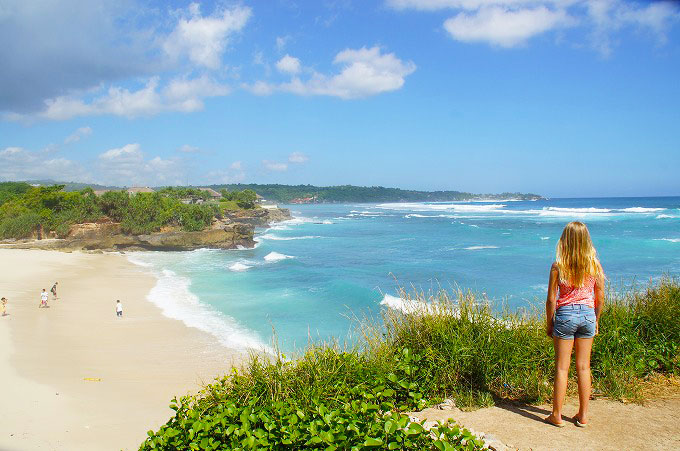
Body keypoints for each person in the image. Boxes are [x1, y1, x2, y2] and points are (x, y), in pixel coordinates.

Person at [545, 221, 605, 428]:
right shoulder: (594, 265)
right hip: (588, 314)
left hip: (566, 315)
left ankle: (557, 415)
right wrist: (596, 320)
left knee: (562, 368)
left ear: (565, 241)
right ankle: (583, 415)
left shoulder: (558, 266)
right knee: (584, 367)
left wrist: (549, 323)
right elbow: (600, 297)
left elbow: (552, 299)